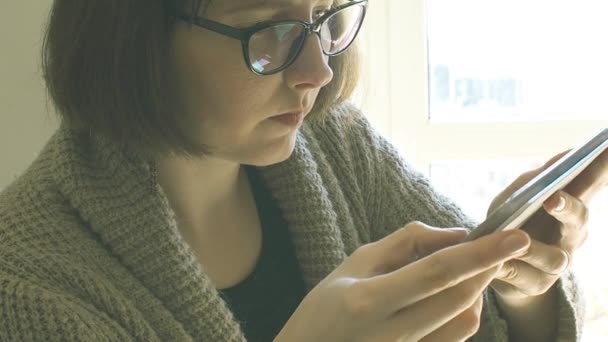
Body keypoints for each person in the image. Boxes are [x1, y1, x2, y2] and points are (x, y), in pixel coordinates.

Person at [0, 0, 603, 340]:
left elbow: (494, 330)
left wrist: (521, 290)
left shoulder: (336, 146)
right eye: (269, 34)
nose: (318, 71)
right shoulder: (26, 284)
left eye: (326, 20)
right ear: (134, 41)